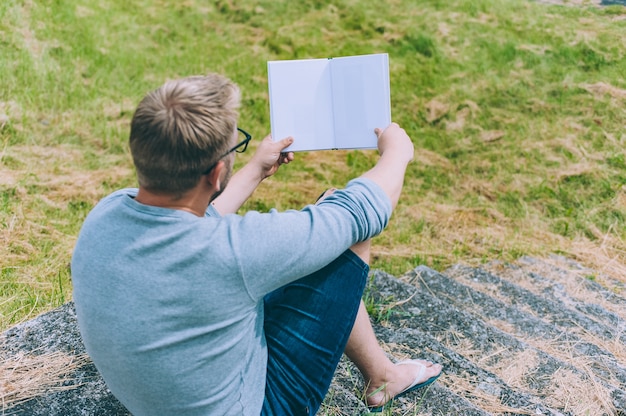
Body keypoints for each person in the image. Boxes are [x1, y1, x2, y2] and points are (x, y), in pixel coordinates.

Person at [71, 73, 442, 416]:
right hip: (257, 407)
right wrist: (398, 152)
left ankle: (382, 374)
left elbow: (187, 218)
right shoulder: (234, 252)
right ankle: (382, 376)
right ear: (217, 172)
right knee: (345, 239)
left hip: (160, 399)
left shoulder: (106, 214)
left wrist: (252, 172)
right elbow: (358, 213)